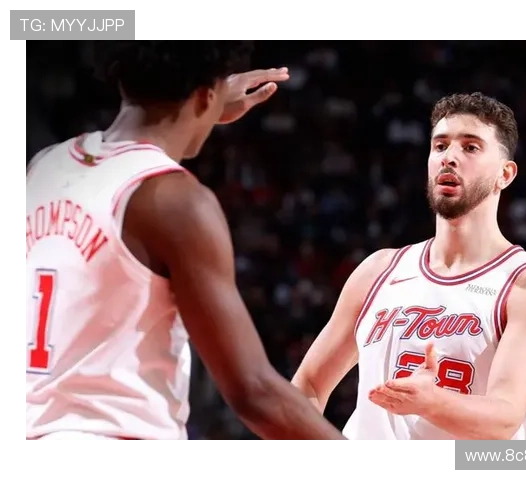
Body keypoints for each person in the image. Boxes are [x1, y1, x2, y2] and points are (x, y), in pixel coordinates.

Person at [24, 40, 346, 441]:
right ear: (207, 95)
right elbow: (254, 393)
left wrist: (202, 106)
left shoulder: (42, 167)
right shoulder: (176, 201)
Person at [291, 92, 526, 440]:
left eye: (470, 147)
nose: (449, 157)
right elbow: (308, 386)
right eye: (440, 146)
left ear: (505, 174)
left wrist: (432, 402)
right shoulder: (378, 270)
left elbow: (504, 419)